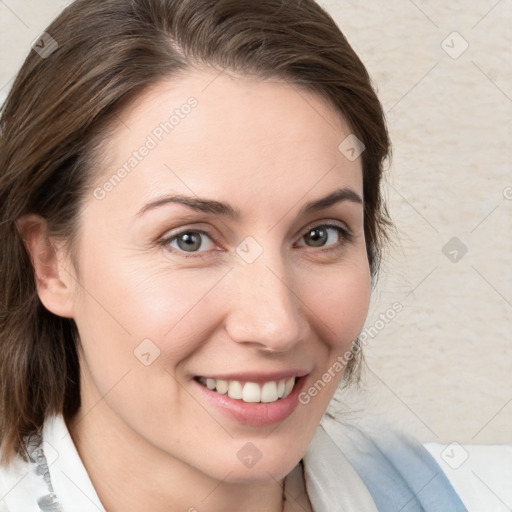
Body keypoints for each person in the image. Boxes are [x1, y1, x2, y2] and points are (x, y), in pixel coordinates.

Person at [0, 0, 467, 510]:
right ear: (51, 264)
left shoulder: (438, 488)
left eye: (319, 235)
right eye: (189, 240)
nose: (276, 326)